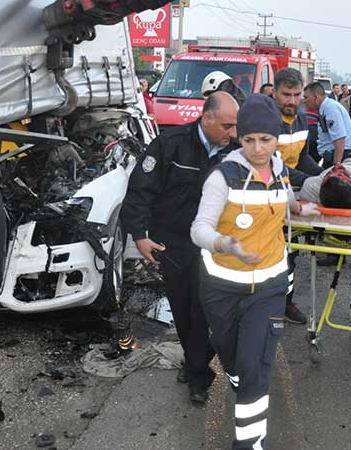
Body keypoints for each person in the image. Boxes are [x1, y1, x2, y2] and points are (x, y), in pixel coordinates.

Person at [190, 94, 300, 450]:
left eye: (265, 140)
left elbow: (289, 204)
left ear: (276, 140)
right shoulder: (223, 176)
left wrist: (306, 209)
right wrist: (226, 245)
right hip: (221, 286)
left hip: (269, 286)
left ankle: (249, 444)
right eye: (249, 140)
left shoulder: (281, 170)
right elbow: (199, 230)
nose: (257, 148)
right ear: (240, 138)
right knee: (231, 355)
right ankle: (237, 374)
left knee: (255, 369)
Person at [120, 91, 239, 405]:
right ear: (207, 118)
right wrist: (139, 235)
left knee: (206, 311)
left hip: (215, 245)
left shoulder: (237, 153)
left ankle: (199, 376)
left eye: (235, 126)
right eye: (227, 126)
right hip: (172, 242)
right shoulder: (170, 144)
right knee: (184, 310)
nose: (233, 133)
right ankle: (193, 360)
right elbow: (140, 191)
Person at [271, 68, 321, 324]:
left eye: (296, 94)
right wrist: (313, 181)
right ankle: (268, 304)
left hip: (291, 197)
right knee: (273, 255)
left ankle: (285, 303)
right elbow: (274, 163)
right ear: (275, 93)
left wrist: (324, 174)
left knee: (291, 254)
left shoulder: (302, 121)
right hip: (266, 199)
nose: (291, 100)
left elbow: (302, 158)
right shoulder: (266, 120)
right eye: (286, 94)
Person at [303, 82, 351, 168]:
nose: (304, 101)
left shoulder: (330, 109)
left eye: (306, 97)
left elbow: (339, 138)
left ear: (316, 96)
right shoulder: (325, 107)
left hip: (338, 156)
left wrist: (336, 166)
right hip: (332, 155)